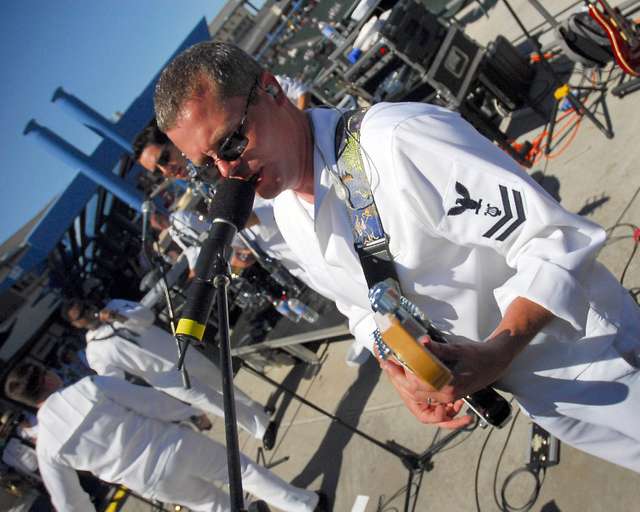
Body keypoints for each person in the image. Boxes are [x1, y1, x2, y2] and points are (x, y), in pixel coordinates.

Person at [153, 41, 640, 472]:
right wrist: (400, 371)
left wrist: (497, 350)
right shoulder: (286, 210)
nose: (228, 171)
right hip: (533, 390)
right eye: (207, 166)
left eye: (232, 142)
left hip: (593, 356)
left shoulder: (397, 142)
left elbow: (554, 239)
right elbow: (361, 305)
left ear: (273, 89)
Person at [3, 362, 324, 512]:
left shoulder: (46, 447)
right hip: (171, 444)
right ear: (45, 376)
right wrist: (189, 413)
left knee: (214, 507)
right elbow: (149, 402)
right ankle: (304, 505)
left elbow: (69, 503)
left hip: (146, 481)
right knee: (243, 473)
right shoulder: (88, 388)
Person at [62, 297, 278, 449]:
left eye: (85, 307)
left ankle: (258, 411)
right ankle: (261, 428)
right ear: (76, 324)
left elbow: (146, 316)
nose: (88, 313)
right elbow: (114, 377)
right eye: (81, 315)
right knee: (211, 402)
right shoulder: (94, 350)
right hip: (165, 378)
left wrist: (118, 317)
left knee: (223, 385)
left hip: (178, 352)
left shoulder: (116, 306)